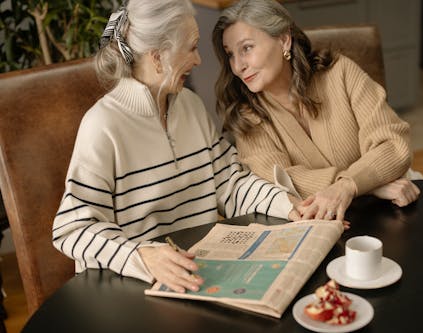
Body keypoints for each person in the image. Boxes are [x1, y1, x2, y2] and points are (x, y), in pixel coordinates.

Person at [52, 0, 300, 294]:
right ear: (157, 57)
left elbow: (230, 185)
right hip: (133, 288)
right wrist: (142, 256)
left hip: (199, 275)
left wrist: (290, 205)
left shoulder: (191, 106)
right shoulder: (102, 126)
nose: (198, 61)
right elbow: (72, 228)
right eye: (191, 47)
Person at [212, 0, 420, 223]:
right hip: (328, 220)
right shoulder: (246, 115)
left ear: (283, 39)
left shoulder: (341, 73)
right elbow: (282, 181)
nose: (237, 66)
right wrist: (365, 185)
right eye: (230, 54)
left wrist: (349, 185)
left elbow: (393, 145)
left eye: (246, 48)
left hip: (391, 206)